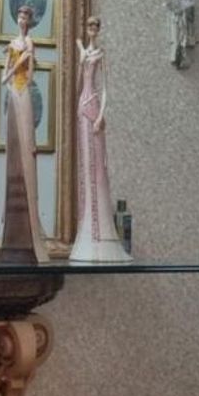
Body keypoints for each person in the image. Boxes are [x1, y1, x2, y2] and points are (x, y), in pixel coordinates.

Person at [69, 17, 132, 262]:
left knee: (97, 168)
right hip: (82, 107)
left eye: (96, 27)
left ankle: (101, 233)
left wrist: (101, 115)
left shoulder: (100, 54)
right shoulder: (84, 53)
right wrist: (80, 60)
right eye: (90, 27)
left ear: (98, 30)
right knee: (85, 167)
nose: (93, 30)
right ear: (86, 29)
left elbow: (105, 88)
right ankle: (87, 231)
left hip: (94, 107)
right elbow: (77, 85)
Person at [0, 5, 49, 263]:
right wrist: (13, 66)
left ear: (30, 21)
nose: (22, 20)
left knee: (26, 144)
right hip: (12, 92)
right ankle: (10, 225)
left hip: (22, 91)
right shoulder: (14, 44)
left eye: (26, 17)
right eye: (19, 16)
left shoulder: (30, 43)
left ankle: (31, 228)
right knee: (13, 145)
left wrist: (22, 63)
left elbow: (28, 76)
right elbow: (5, 75)